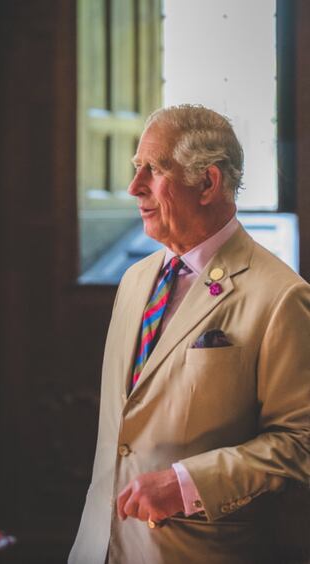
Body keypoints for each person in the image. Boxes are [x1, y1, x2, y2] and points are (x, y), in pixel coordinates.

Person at [69, 105, 310, 563]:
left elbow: (299, 442)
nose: (133, 187)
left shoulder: (281, 295)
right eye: (135, 168)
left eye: (153, 170)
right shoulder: (135, 280)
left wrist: (186, 484)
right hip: (101, 546)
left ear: (208, 183)